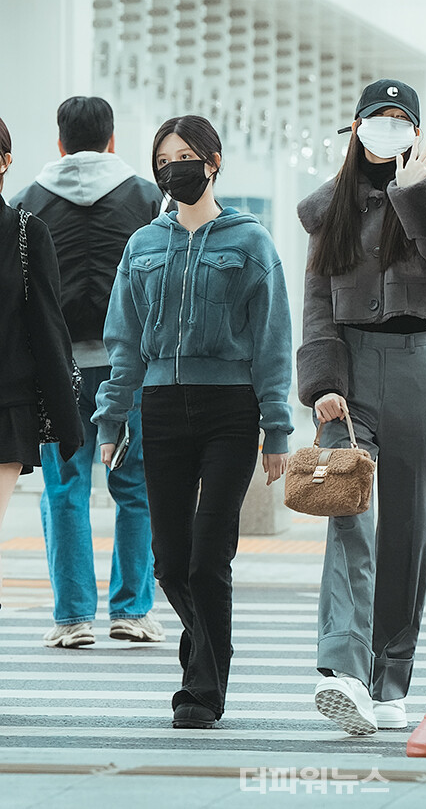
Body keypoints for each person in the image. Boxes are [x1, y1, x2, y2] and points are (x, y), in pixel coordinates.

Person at [91, 114, 293, 729]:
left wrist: (277, 427)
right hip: (161, 411)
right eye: (163, 160)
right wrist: (112, 418)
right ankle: (207, 655)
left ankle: (203, 687)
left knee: (209, 556)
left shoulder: (250, 241)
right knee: (170, 561)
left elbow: (272, 338)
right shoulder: (143, 245)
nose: (172, 168)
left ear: (213, 162)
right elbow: (124, 342)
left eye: (184, 156)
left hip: (231, 411)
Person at [296, 78, 426, 735]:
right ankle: (344, 672)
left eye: (402, 118)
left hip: (414, 369)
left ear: (418, 132)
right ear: (356, 126)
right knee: (349, 515)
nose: (389, 126)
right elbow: (317, 306)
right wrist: (320, 384)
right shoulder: (328, 208)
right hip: (347, 368)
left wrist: (419, 194)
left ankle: (389, 677)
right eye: (379, 116)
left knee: (407, 531)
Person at [11, 97, 165, 648]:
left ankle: (73, 617)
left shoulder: (27, 200)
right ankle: (132, 610)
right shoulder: (148, 196)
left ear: (59, 142)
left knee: (64, 487)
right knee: (136, 487)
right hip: (131, 366)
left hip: (56, 369)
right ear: (112, 140)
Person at [0, 116, 84, 599]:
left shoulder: (27, 233)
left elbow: (48, 327)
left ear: (6, 160)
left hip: (6, 411)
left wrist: (65, 419)